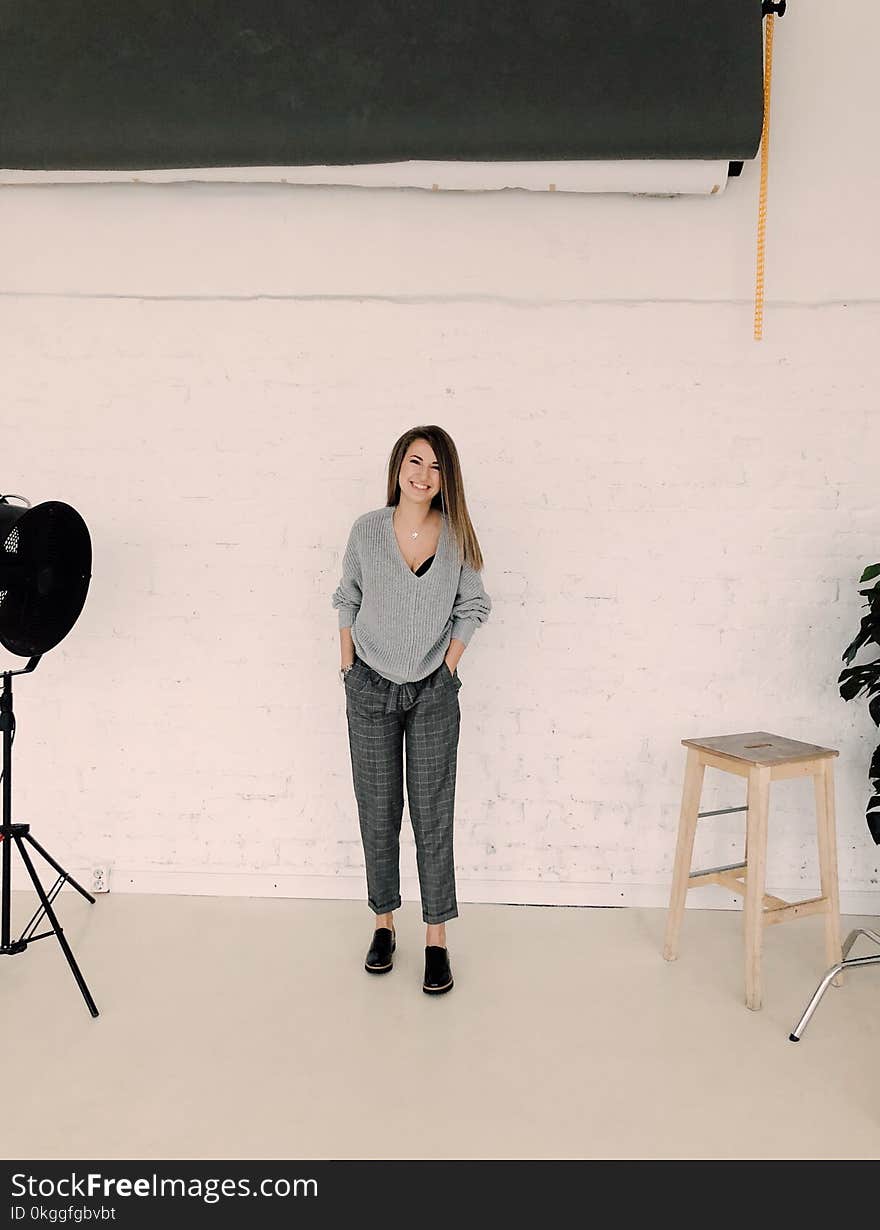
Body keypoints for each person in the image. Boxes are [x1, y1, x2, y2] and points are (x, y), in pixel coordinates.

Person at [331, 426, 492, 994]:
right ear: (398, 464)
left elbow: (474, 604)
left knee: (432, 814)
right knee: (378, 810)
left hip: (432, 693)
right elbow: (347, 596)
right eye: (414, 461)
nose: (422, 475)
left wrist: (447, 668)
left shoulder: (456, 537)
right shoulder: (368, 531)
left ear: (447, 479)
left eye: (435, 467)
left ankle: (435, 937)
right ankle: (383, 923)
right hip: (370, 687)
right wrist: (348, 665)